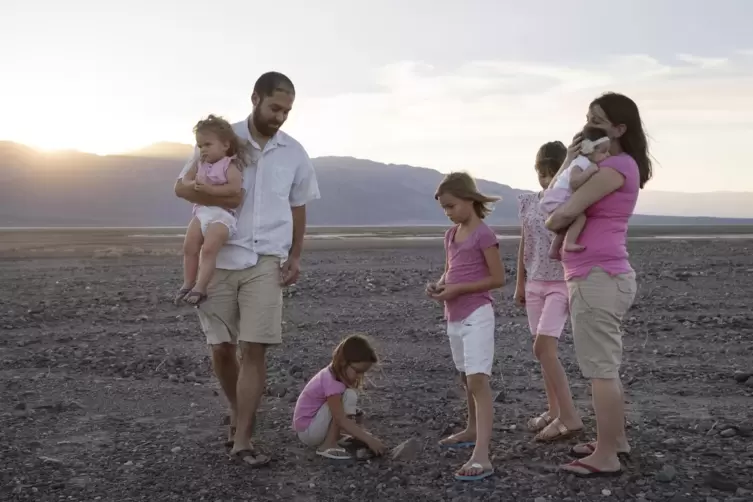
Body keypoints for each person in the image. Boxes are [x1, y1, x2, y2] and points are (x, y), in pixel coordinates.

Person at [174, 72, 320, 468]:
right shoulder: (222, 138)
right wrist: (221, 194)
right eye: (275, 107)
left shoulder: (294, 152)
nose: (281, 116)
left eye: (287, 110)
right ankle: (239, 414)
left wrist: (295, 255)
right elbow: (183, 185)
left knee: (254, 348)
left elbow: (299, 206)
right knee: (221, 349)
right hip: (218, 256)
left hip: (266, 259)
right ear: (255, 98)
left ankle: (243, 438)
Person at [546, 92, 650, 477]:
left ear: (620, 129)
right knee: (606, 366)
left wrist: (571, 164)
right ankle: (615, 440)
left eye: (598, 121)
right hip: (601, 275)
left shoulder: (615, 168)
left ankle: (605, 455)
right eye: (588, 118)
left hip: (596, 277)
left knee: (600, 370)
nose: (588, 126)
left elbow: (562, 214)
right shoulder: (617, 165)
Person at [426, 172, 506, 482]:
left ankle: (482, 455)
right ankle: (472, 429)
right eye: (444, 208)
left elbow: (497, 278)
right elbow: (451, 271)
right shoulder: (450, 235)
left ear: (469, 200)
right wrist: (440, 286)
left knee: (477, 382)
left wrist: (460, 290)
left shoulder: (484, 235)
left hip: (477, 314)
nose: (448, 212)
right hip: (454, 316)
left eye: (451, 205)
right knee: (464, 377)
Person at [515, 141, 583, 442]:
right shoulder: (529, 202)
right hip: (534, 283)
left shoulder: (570, 203)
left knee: (544, 348)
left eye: (552, 172)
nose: (546, 179)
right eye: (542, 173)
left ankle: (569, 416)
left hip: (560, 283)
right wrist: (520, 281)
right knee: (544, 353)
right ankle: (553, 410)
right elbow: (524, 242)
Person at [174, 115, 245, 306]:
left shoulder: (230, 165)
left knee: (208, 249)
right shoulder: (199, 164)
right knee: (189, 247)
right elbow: (184, 181)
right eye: (200, 146)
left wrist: (210, 190)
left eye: (208, 144)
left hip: (222, 217)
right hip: (202, 212)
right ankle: (188, 282)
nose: (203, 149)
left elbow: (234, 189)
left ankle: (201, 286)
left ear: (225, 145)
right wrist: (194, 183)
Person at [292, 335, 387, 460]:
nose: (359, 376)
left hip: (313, 428)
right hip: (308, 432)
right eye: (357, 371)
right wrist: (369, 440)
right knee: (343, 401)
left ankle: (335, 437)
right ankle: (327, 445)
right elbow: (339, 418)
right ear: (343, 362)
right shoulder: (332, 382)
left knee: (348, 397)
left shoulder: (332, 375)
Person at [540, 126, 611, 259]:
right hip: (559, 198)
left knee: (569, 222)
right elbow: (574, 183)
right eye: (604, 151)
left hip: (557, 198)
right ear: (589, 149)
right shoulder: (581, 163)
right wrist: (589, 172)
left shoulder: (583, 162)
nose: (607, 155)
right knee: (580, 217)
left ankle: (554, 249)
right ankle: (569, 243)